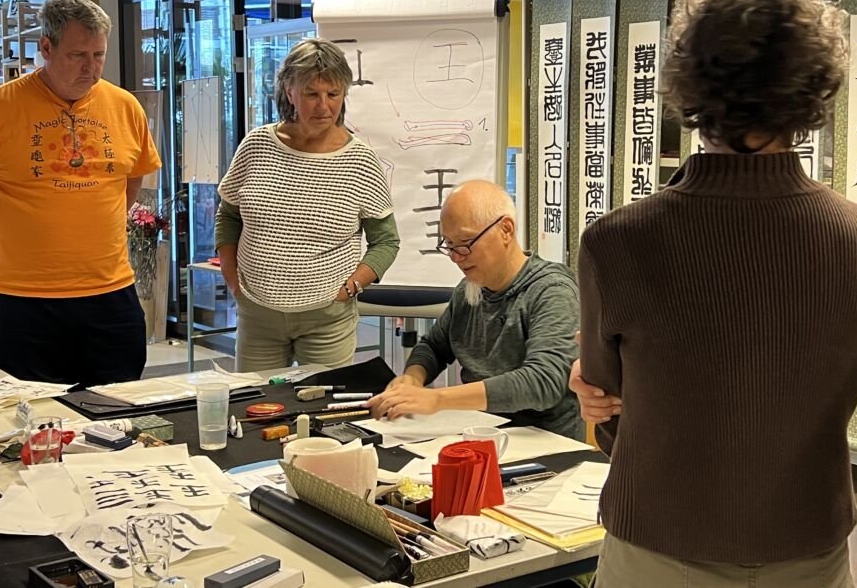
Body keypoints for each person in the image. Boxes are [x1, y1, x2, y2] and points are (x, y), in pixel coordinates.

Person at [572, 0, 857, 587]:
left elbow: (610, 415)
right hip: (808, 548)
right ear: (814, 86)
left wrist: (602, 384)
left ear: (688, 82)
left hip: (660, 547)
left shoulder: (617, 241)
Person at [0, 0, 161, 385]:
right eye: (78, 55)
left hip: (110, 293)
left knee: (117, 410)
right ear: (46, 47)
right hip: (23, 301)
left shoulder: (126, 107)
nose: (91, 68)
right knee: (27, 416)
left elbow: (133, 177)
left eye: (99, 55)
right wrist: (7, 241)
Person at [215, 38, 400, 371]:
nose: (324, 106)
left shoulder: (359, 161)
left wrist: (351, 287)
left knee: (324, 400)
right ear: (290, 92)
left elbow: (386, 242)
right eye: (312, 94)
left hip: (327, 317)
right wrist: (232, 279)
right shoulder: (257, 145)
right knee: (256, 400)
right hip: (257, 312)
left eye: (334, 94)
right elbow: (228, 215)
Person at [367, 180, 583, 441]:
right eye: (449, 244)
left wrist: (437, 399)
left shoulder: (552, 291)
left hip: (543, 442)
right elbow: (434, 346)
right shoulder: (470, 288)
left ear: (505, 230)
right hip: (480, 430)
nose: (456, 257)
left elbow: (542, 382)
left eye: (465, 242)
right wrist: (412, 379)